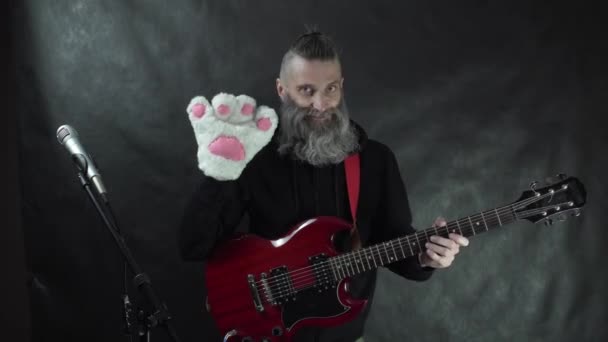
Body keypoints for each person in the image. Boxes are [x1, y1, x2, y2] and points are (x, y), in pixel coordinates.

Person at [179, 30, 469, 342]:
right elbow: (194, 246)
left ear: (342, 87)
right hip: (269, 332)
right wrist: (221, 173)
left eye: (330, 89)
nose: (321, 104)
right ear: (282, 90)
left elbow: (394, 239)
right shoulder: (253, 157)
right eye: (306, 90)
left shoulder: (375, 161)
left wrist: (425, 257)